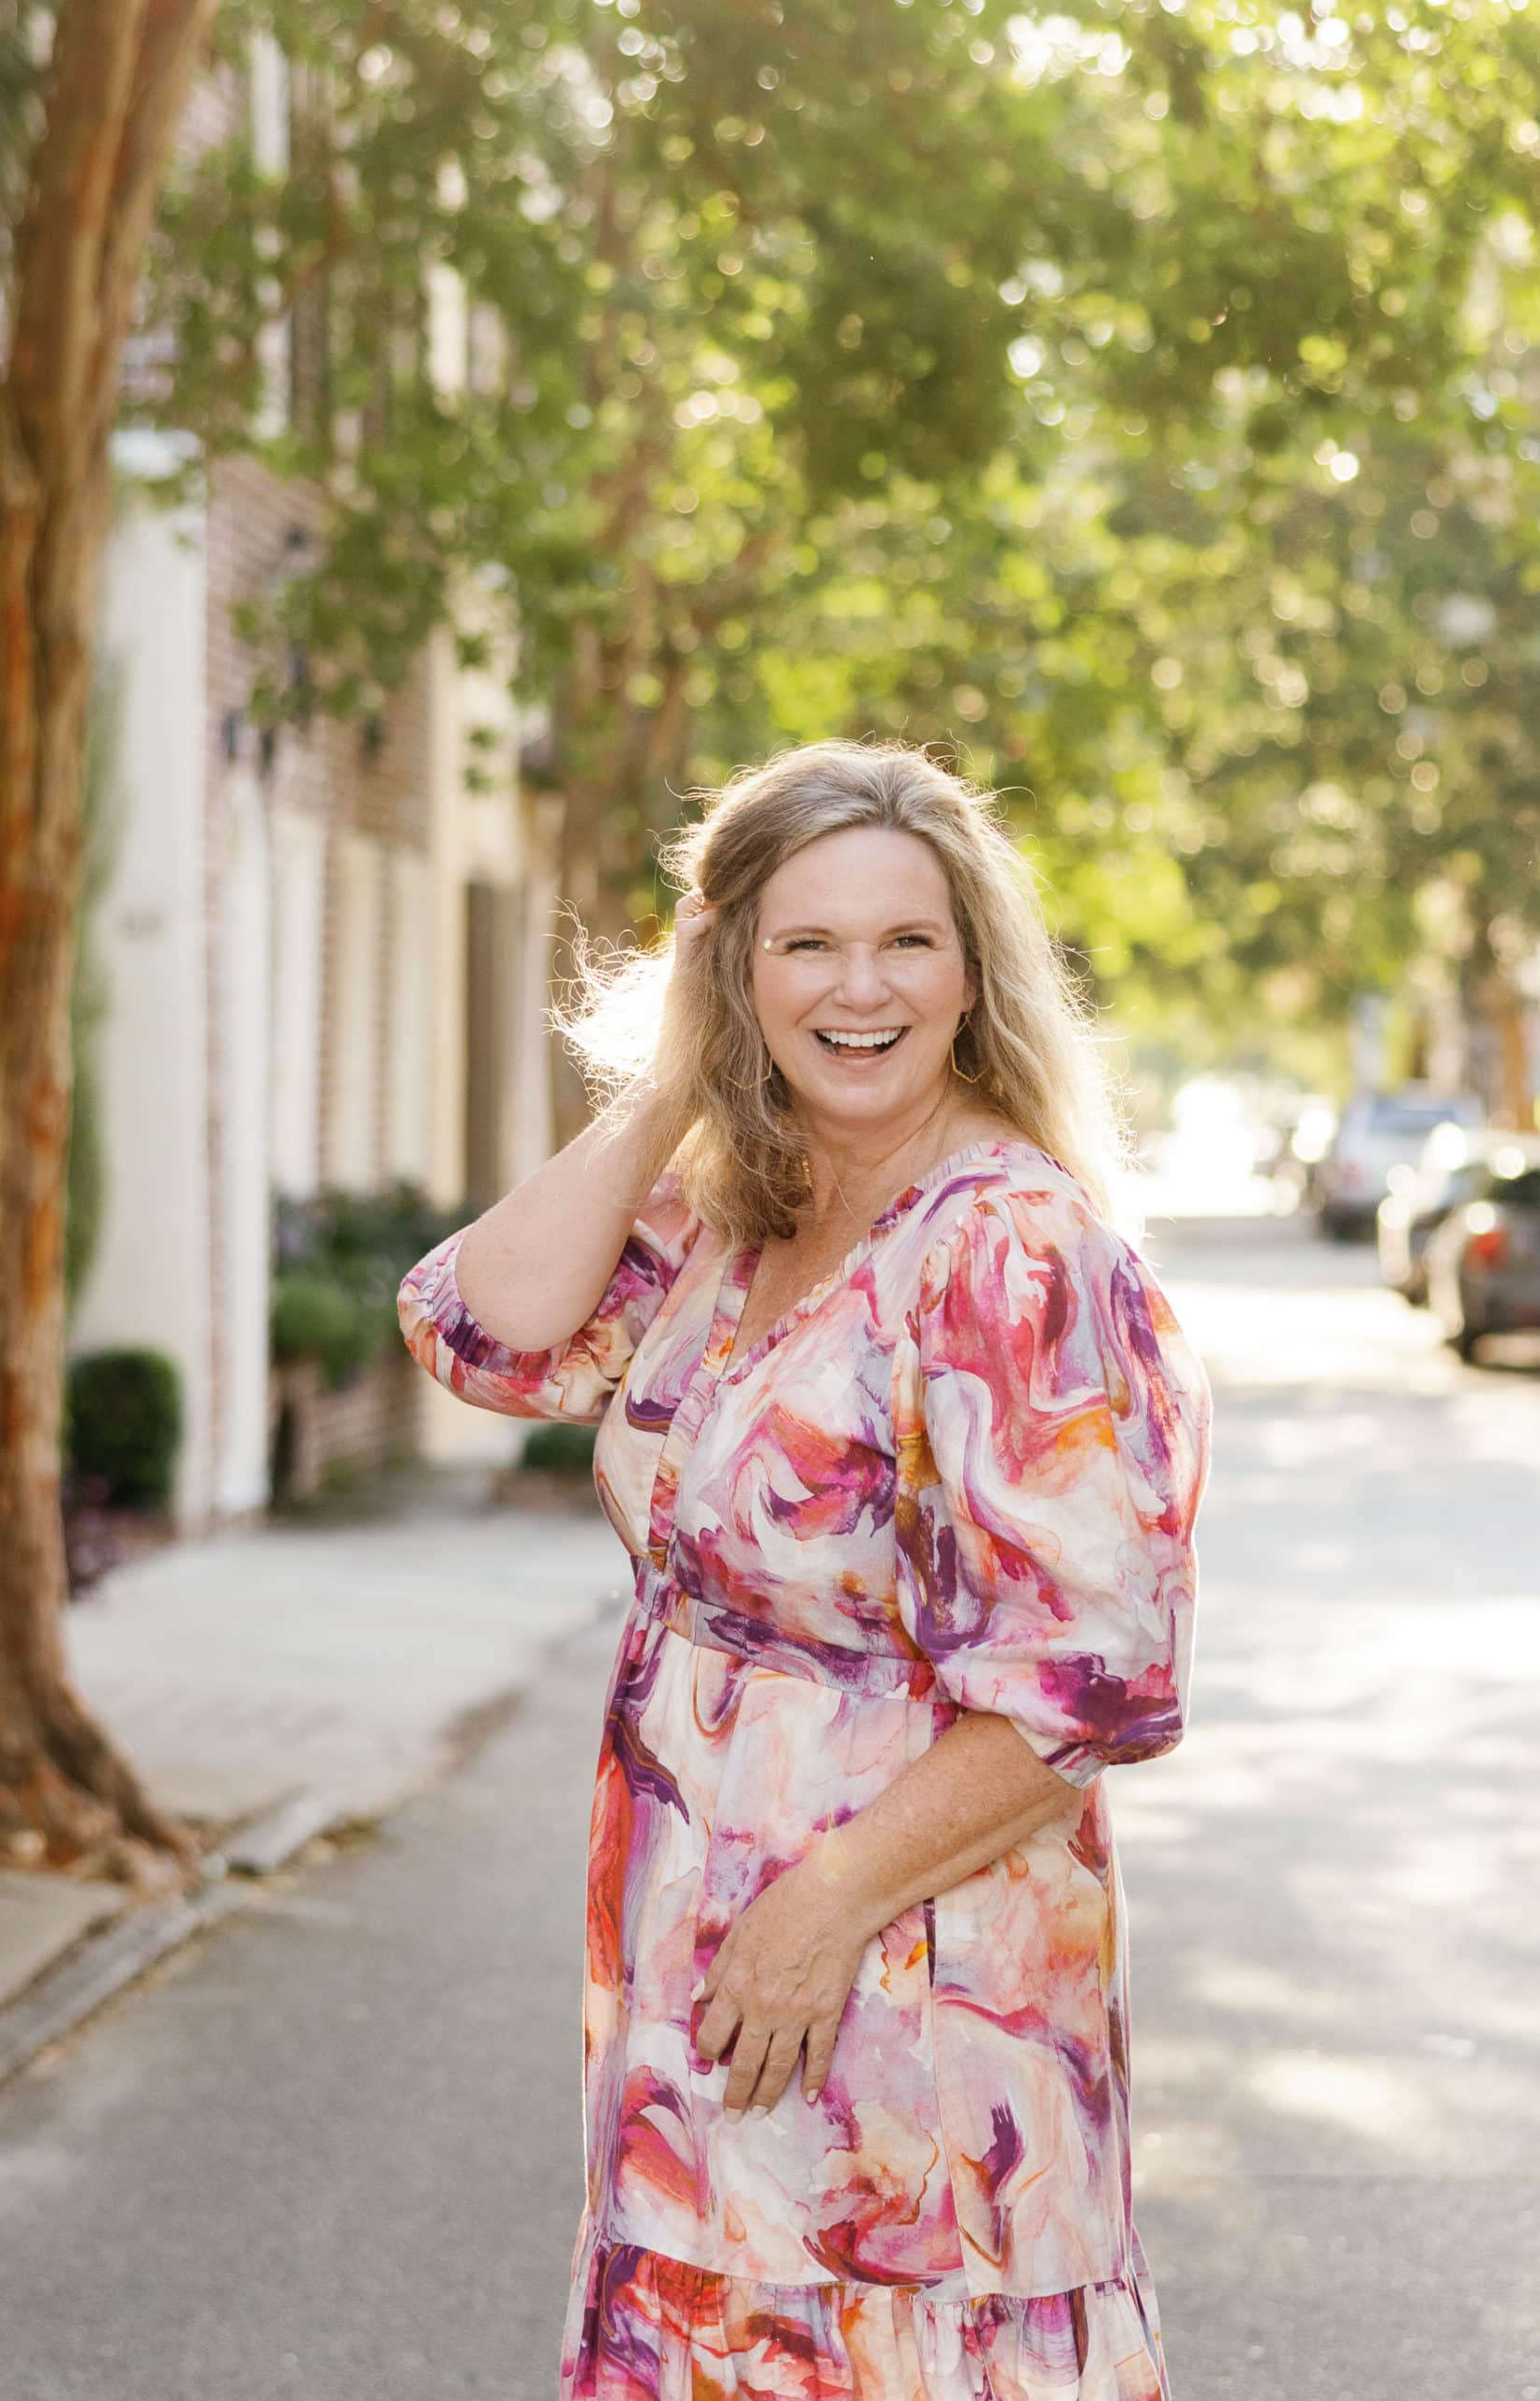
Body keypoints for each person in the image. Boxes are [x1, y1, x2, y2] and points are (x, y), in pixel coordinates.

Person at [398, 739, 1213, 2401]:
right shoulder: (738, 1217)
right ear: (733, 968)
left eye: (907, 941)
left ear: (973, 972)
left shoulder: (1006, 1245)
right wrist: (675, 1079)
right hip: (698, 1982)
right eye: (803, 945)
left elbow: (1087, 1688)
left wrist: (819, 1914)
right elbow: (478, 1335)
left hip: (915, 1998)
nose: (861, 987)